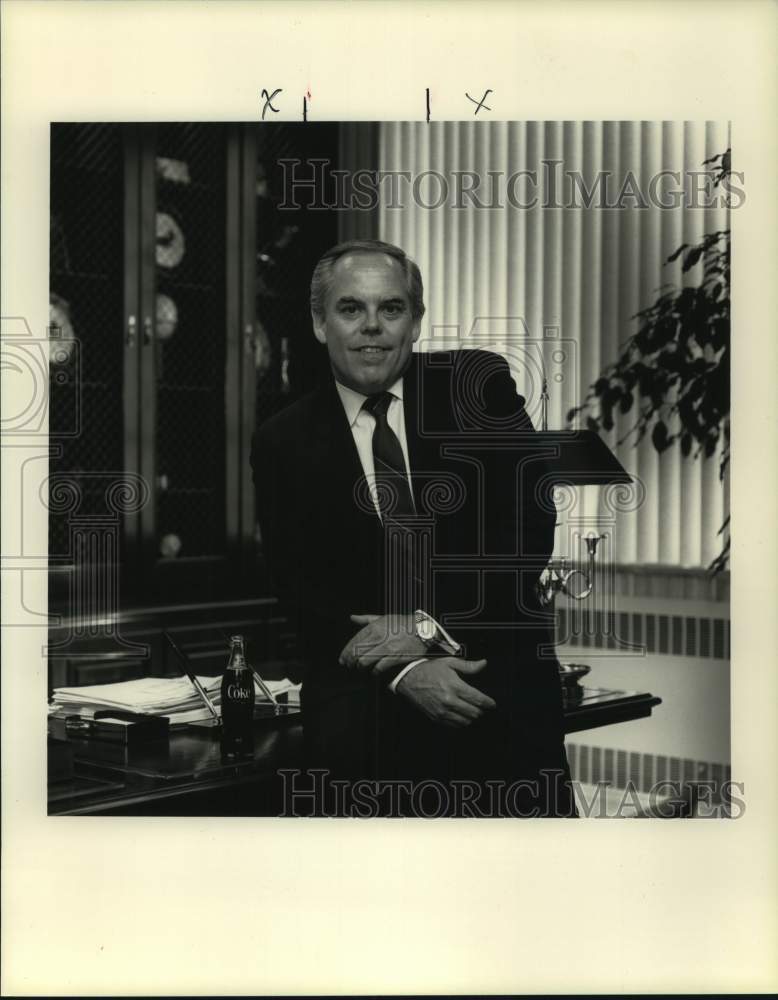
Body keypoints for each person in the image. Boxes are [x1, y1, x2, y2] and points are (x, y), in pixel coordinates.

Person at [251, 239, 575, 817]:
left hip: (499, 706)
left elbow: (526, 530)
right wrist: (406, 671)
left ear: (416, 321)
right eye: (350, 309)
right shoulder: (281, 441)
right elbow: (302, 593)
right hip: (369, 730)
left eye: (391, 309)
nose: (371, 327)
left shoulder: (476, 386)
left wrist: (428, 628)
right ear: (320, 324)